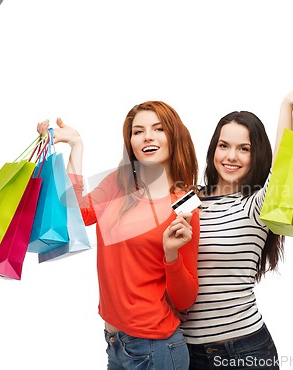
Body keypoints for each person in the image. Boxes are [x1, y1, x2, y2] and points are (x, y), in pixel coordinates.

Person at [37, 101, 200, 370]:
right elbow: (75, 215)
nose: (147, 136)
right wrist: (76, 146)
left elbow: (185, 299)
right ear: (131, 143)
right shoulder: (117, 183)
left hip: (156, 349)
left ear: (174, 136)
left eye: (158, 129)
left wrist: (171, 254)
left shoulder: (185, 203)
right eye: (138, 131)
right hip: (115, 343)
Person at [180, 82, 293, 370]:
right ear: (213, 149)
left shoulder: (256, 204)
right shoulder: (189, 197)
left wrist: (288, 106)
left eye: (243, 149)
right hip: (184, 351)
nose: (231, 156)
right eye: (224, 145)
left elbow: (283, 166)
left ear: (256, 155)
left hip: (243, 351)